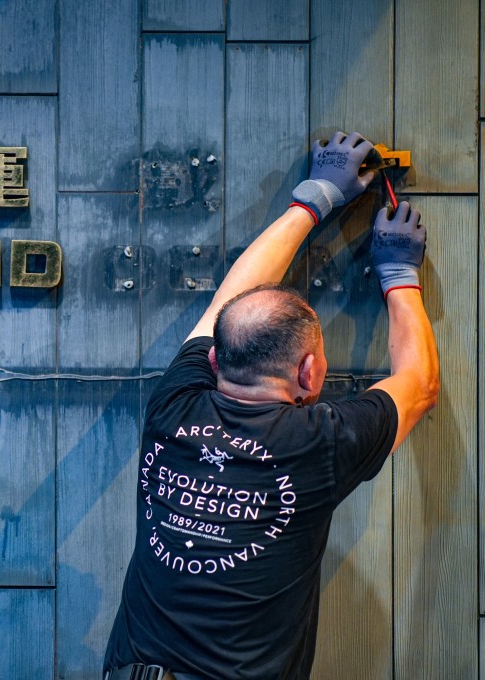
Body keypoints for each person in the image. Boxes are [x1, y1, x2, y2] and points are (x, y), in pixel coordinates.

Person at [102, 132, 439, 680]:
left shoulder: (173, 407)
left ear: (213, 360)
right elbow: (419, 384)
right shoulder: (320, 442)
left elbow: (227, 304)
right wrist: (399, 275)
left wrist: (315, 198)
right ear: (309, 372)